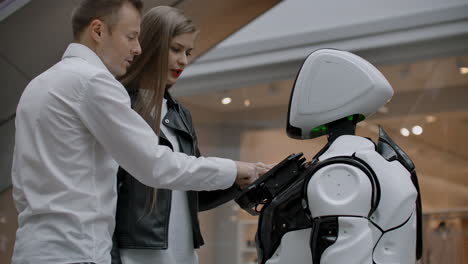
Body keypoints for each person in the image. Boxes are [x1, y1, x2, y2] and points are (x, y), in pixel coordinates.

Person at [10, 1, 268, 263]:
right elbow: (154, 164)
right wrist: (234, 169)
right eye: (131, 36)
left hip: (34, 250)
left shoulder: (38, 85)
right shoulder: (94, 82)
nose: (137, 48)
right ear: (98, 31)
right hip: (77, 252)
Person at [110, 6, 259, 264]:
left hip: (184, 254)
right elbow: (106, 193)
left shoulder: (181, 114)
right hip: (136, 255)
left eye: (188, 52)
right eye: (176, 49)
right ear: (152, 45)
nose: (184, 61)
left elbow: (192, 189)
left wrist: (238, 181)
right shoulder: (118, 104)